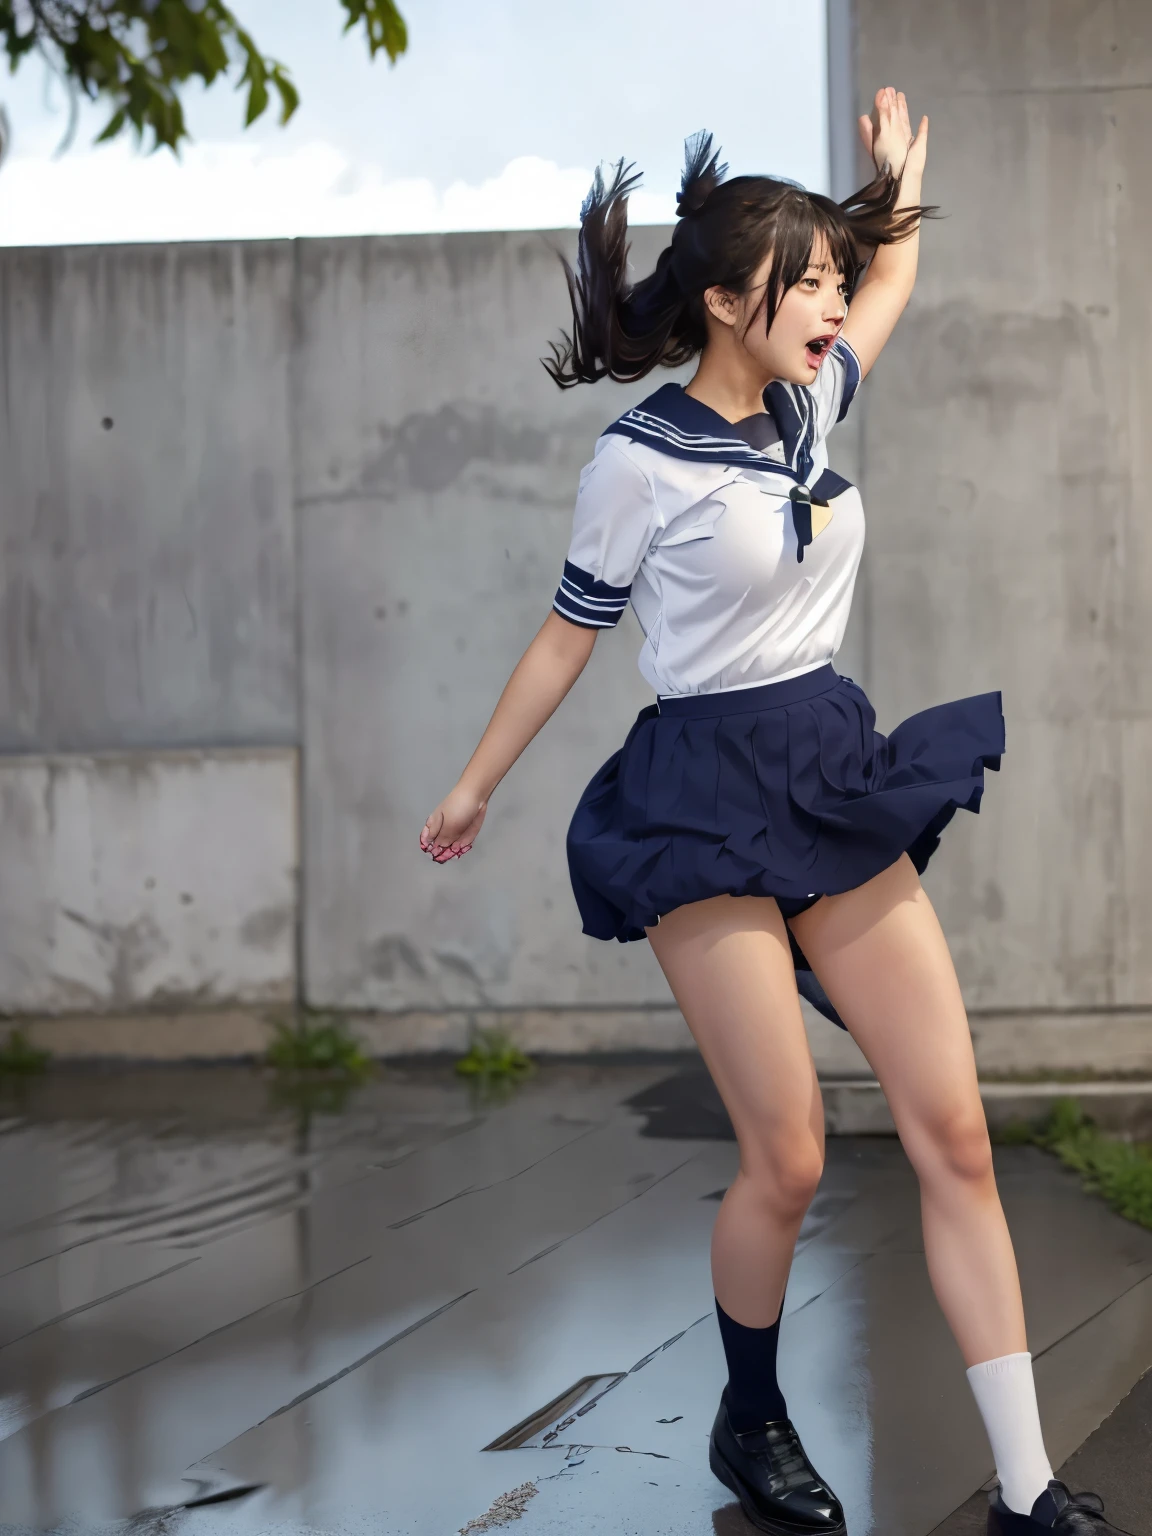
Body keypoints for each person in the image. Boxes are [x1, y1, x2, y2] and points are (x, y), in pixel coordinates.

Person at [420, 89, 1127, 1536]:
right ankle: (752, 1417)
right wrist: (475, 783)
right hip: (700, 796)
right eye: (808, 282)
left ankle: (1027, 1486)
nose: (836, 300)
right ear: (736, 300)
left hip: (828, 762)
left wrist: (904, 182)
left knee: (955, 1132)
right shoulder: (635, 462)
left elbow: (898, 279)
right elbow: (569, 634)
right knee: (791, 1151)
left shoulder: (813, 401)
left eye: (830, 278)